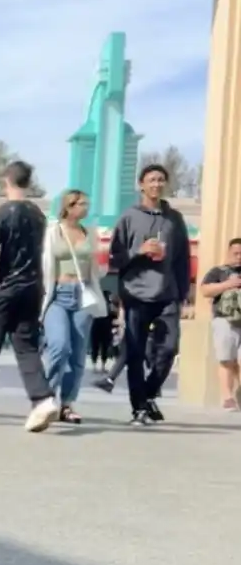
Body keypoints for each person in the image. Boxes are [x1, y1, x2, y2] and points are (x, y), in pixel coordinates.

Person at [0, 161, 59, 432]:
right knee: (26, 347)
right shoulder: (39, 216)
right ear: (28, 182)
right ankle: (42, 398)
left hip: (2, 291)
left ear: (6, 181)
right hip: (31, 288)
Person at [109, 163, 191, 426]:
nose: (156, 184)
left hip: (167, 293)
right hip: (136, 293)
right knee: (135, 353)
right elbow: (115, 258)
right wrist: (139, 252)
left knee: (169, 348)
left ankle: (148, 391)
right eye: (151, 180)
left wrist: (184, 293)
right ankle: (139, 408)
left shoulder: (174, 218)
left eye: (160, 180)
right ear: (141, 185)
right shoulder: (129, 217)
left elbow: (182, 258)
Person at [41, 190, 107, 424]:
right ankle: (45, 399)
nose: (85, 208)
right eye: (81, 204)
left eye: (87, 204)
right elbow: (44, 263)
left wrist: (101, 265)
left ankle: (67, 404)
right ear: (68, 206)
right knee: (59, 346)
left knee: (78, 354)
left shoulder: (90, 233)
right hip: (57, 294)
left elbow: (97, 268)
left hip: (83, 295)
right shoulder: (52, 232)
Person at [199, 236, 241, 410]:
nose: (239, 257)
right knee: (226, 359)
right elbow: (205, 290)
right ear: (229, 253)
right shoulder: (218, 271)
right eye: (236, 253)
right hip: (224, 320)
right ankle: (228, 397)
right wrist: (228, 284)